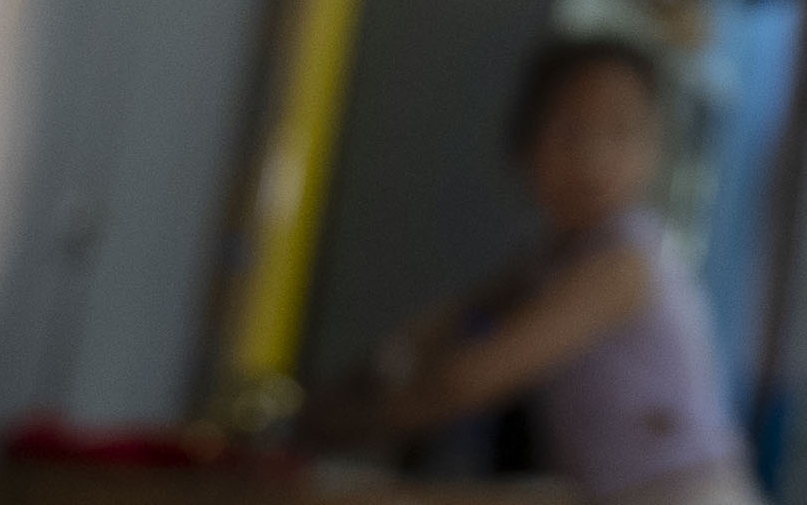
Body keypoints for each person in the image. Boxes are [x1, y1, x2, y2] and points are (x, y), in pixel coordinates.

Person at [308, 34, 759, 505]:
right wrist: (368, 377)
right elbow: (447, 326)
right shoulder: (552, 261)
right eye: (570, 132)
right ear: (523, 144)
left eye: (622, 132)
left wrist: (321, 430)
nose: (593, 159)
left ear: (655, 151)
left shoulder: (623, 264)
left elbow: (458, 384)